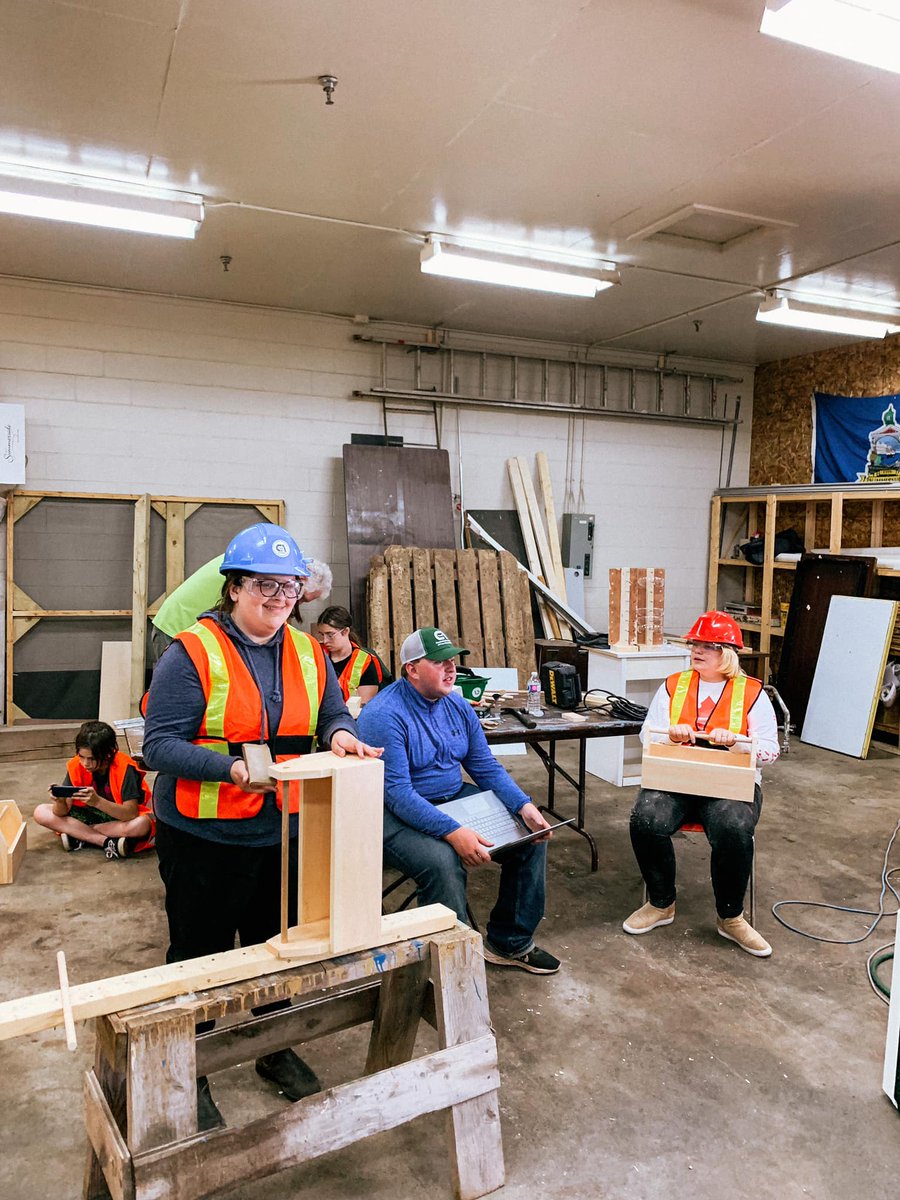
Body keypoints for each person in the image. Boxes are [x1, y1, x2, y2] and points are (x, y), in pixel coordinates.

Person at [142, 522, 381, 1128]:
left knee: (276, 949)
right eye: (264, 585)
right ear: (234, 588)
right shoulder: (190, 653)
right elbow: (160, 746)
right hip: (204, 835)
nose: (279, 597)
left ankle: (273, 1047)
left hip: (282, 831)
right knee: (198, 956)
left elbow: (331, 714)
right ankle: (190, 1067)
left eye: (289, 586)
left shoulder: (308, 651)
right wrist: (230, 770)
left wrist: (342, 736)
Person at [358, 626, 560, 975]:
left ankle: (510, 942)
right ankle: (450, 969)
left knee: (530, 837)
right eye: (440, 662)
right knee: (443, 862)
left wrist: (523, 806)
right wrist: (454, 832)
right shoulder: (383, 715)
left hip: (452, 796)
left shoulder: (457, 705)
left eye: (452, 660)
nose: (451, 669)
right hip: (396, 811)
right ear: (412, 669)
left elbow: (485, 767)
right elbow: (398, 794)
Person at [623, 611, 780, 957]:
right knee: (646, 818)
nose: (697, 650)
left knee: (733, 826)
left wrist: (737, 742)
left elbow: (771, 752)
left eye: (708, 646)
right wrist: (671, 737)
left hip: (730, 785)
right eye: (695, 644)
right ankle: (661, 903)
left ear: (728, 653)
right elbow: (647, 735)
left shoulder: (752, 693)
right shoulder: (673, 685)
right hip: (677, 779)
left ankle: (731, 917)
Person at [150, 547, 332, 663]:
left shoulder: (258, 560)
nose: (293, 602)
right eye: (301, 597)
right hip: (177, 625)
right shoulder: (255, 571)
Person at [33, 720, 153, 859]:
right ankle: (105, 841)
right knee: (41, 812)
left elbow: (130, 814)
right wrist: (59, 802)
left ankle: (78, 835)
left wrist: (97, 802)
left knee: (142, 824)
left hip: (117, 818)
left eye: (91, 759)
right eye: (81, 757)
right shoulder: (76, 765)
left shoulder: (125, 768)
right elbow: (61, 812)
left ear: (108, 754)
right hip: (87, 816)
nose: (85, 763)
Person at [316, 604, 393, 706]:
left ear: (345, 631)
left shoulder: (365, 661)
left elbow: (365, 705)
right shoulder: (316, 654)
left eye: (330, 635)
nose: (325, 640)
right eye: (322, 635)